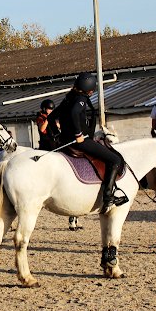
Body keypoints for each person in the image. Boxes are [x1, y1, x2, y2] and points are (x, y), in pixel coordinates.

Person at [49, 72, 128, 213]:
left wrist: (57, 135)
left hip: (66, 141)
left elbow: (51, 118)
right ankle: (108, 196)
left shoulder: (69, 97)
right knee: (115, 159)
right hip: (80, 141)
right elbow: (75, 112)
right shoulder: (81, 98)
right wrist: (78, 134)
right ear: (90, 89)